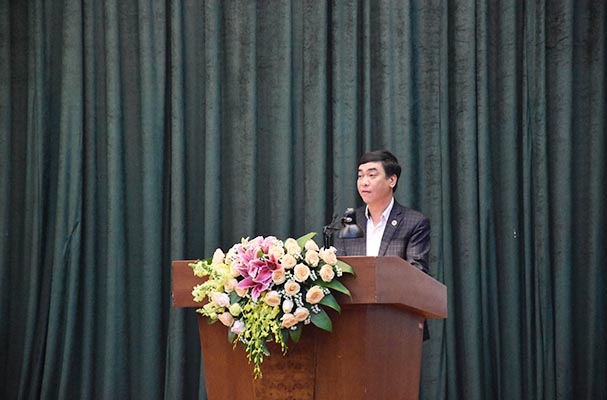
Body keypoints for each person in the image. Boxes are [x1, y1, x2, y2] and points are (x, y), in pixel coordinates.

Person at [333, 149, 431, 273]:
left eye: (371, 175)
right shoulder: (351, 221)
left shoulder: (414, 223)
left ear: (392, 180)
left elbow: (416, 273)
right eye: (360, 176)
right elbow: (338, 269)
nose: (364, 182)